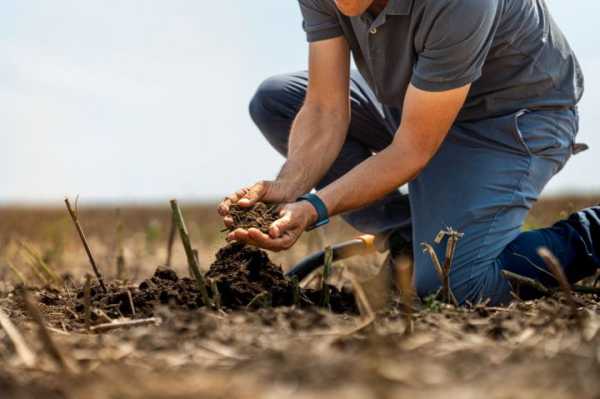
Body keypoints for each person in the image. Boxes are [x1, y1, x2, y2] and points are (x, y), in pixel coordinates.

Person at [218, 0, 600, 305]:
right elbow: (324, 109)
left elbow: (412, 149)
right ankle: (410, 244)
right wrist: (289, 185)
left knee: (457, 286)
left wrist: (315, 208)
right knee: (276, 101)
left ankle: (593, 233)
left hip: (507, 119)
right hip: (413, 100)